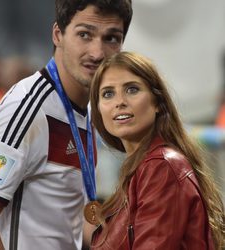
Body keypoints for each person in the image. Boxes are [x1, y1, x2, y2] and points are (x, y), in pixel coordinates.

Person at [0, 1, 133, 250]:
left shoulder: (88, 111)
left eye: (111, 38)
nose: (97, 53)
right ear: (58, 34)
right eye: (85, 34)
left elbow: (64, 214)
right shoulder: (27, 107)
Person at [89, 51, 225, 249]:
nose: (120, 102)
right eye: (108, 93)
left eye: (132, 89)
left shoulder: (162, 167)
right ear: (99, 110)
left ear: (157, 103)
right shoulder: (141, 169)